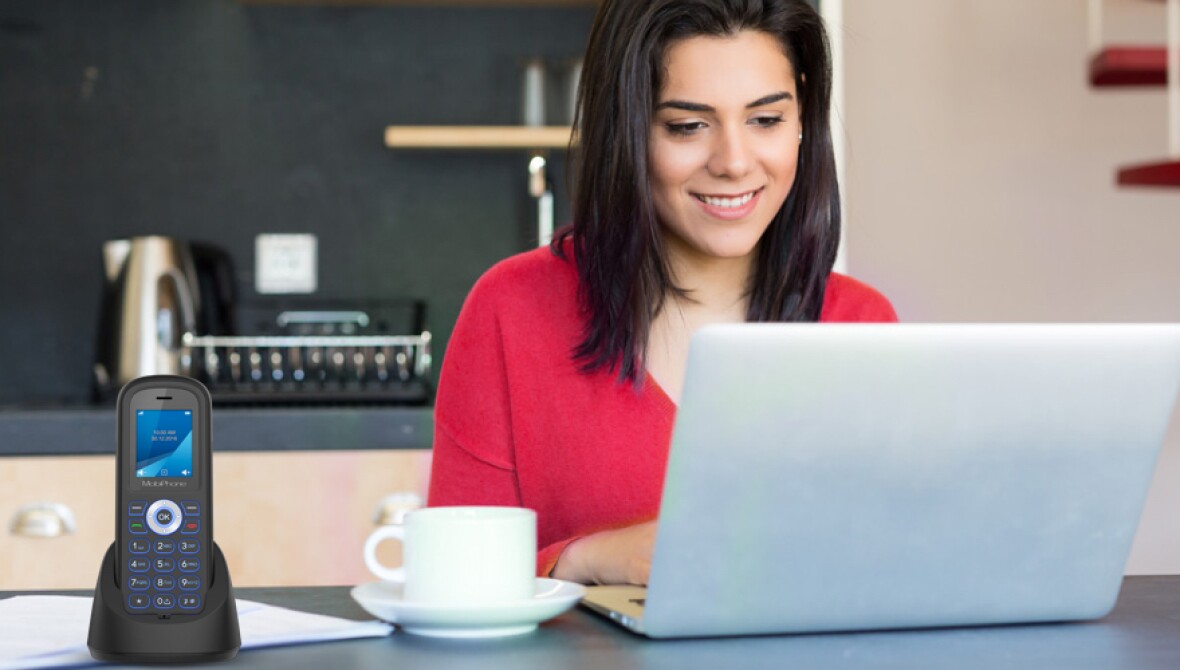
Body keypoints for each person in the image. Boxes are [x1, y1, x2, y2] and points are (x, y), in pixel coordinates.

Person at [427, 0, 897, 586]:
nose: (732, 161)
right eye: (686, 126)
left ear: (802, 118)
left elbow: (886, 565)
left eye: (766, 120)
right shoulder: (512, 309)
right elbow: (452, 578)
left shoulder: (860, 323)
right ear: (626, 128)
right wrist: (582, 560)